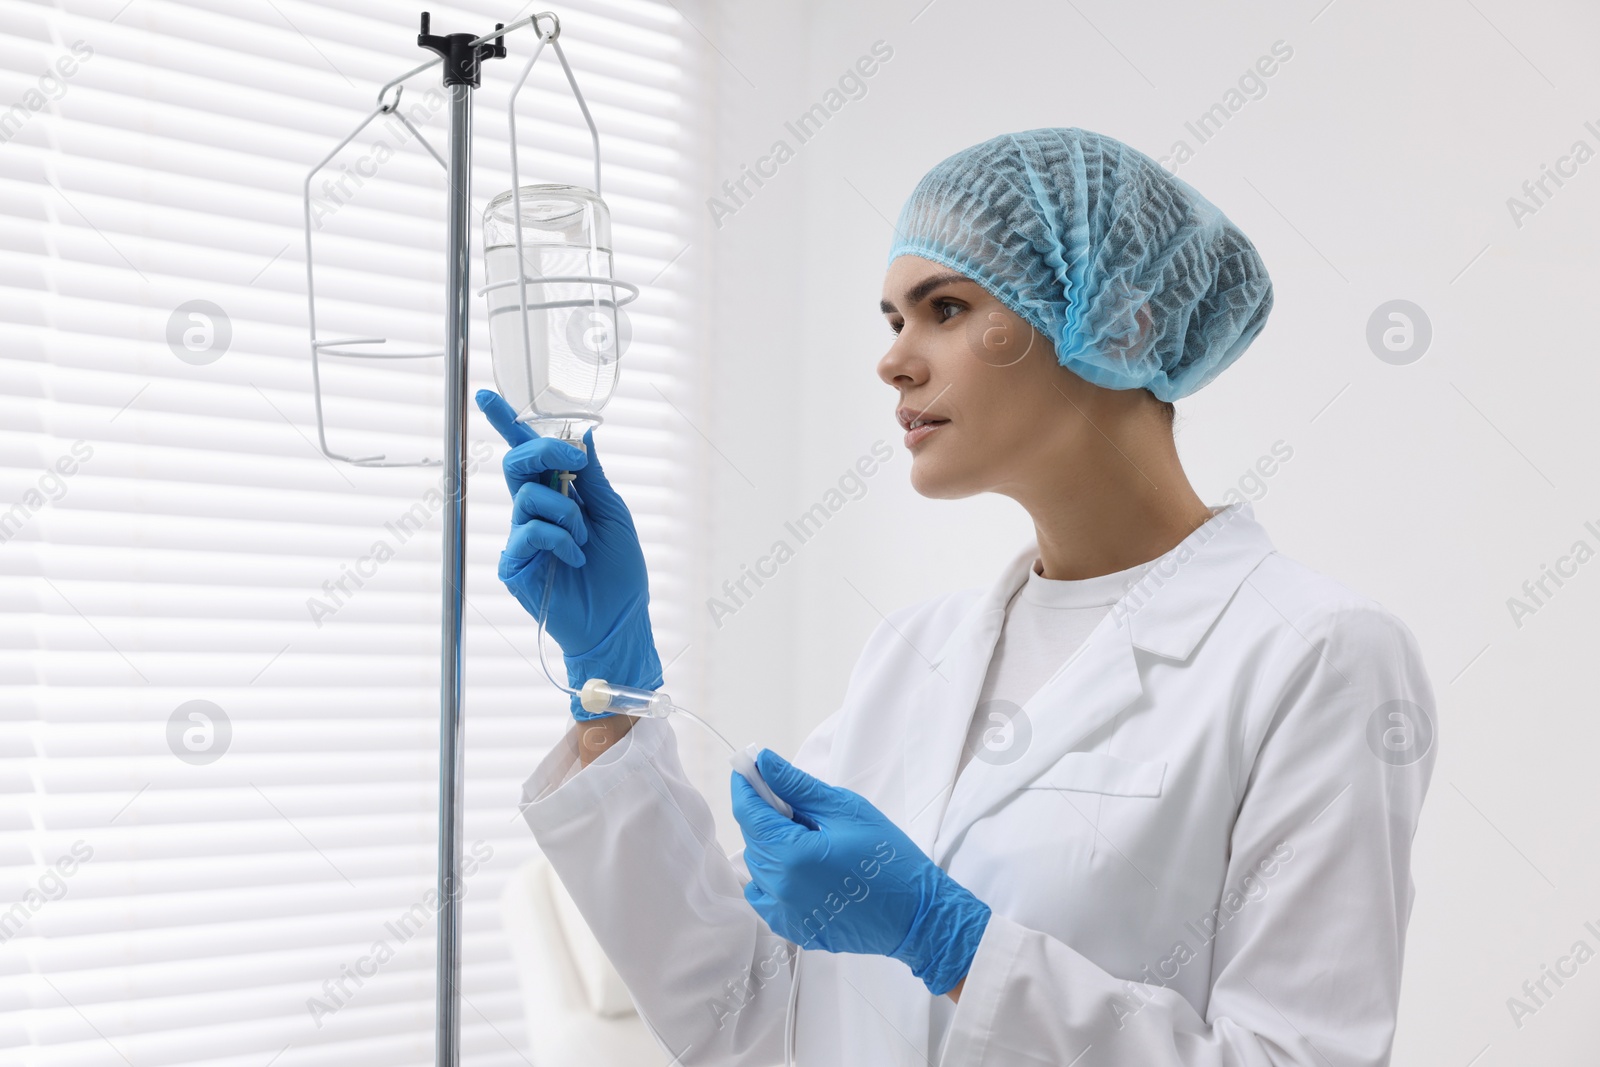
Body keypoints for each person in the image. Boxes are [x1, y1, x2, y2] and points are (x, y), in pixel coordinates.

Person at [479, 128, 1437, 1066]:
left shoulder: (1316, 654)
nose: (894, 360)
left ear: (1127, 322)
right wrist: (609, 690)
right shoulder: (916, 652)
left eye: (943, 308)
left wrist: (955, 945)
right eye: (894, 320)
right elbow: (742, 1013)